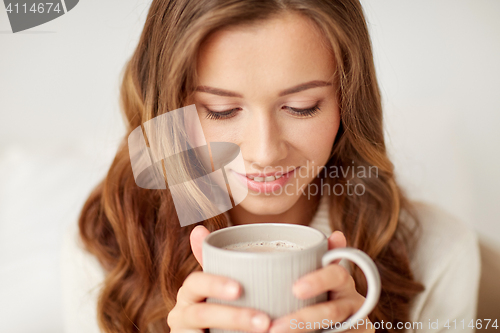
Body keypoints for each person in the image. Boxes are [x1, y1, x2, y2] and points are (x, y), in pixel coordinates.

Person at [61, 1, 481, 333]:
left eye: (302, 108)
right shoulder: (108, 249)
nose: (264, 152)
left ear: (348, 104)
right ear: (169, 110)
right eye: (221, 111)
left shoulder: (440, 254)